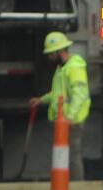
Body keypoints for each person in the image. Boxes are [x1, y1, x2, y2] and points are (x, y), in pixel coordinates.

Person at [30, 31, 91, 181]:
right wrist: (41, 100)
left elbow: (79, 95)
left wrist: (69, 117)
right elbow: (57, 94)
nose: (49, 58)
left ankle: (77, 187)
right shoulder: (61, 69)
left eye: (51, 54)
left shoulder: (74, 68)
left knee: (72, 157)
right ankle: (65, 187)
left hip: (72, 121)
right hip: (63, 121)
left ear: (59, 51)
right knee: (64, 156)